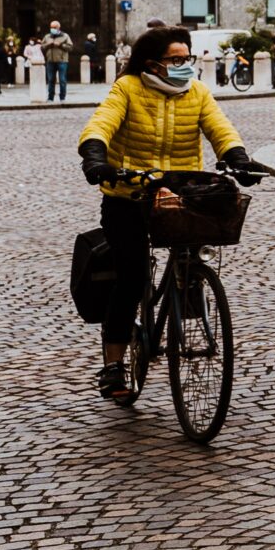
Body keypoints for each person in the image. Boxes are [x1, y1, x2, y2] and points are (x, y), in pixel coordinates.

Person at [76, 25, 254, 401]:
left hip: (180, 193)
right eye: (176, 59)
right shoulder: (128, 89)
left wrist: (237, 157)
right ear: (153, 64)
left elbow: (220, 129)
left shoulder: (198, 92)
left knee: (191, 261)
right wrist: (95, 156)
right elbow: (101, 123)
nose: (184, 65)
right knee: (132, 274)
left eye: (186, 58)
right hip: (129, 195)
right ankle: (113, 366)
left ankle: (187, 294)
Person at [40, 21, 74, 102]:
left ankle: (62, 97)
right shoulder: (47, 36)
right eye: (51, 27)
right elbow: (42, 47)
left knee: (62, 80)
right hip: (50, 61)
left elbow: (70, 47)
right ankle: (50, 98)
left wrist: (61, 45)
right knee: (51, 80)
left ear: (59, 27)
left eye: (54, 27)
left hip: (62, 61)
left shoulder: (65, 36)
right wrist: (48, 45)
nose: (53, 29)